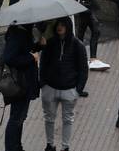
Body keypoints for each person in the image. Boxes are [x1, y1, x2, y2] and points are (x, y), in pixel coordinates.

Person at [39, 17, 87, 151]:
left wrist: (78, 90)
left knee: (67, 120)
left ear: (68, 26)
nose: (60, 27)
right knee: (49, 118)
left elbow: (83, 69)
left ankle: (65, 147)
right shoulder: (50, 43)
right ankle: (50, 145)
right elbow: (43, 64)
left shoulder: (78, 45)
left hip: (69, 89)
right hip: (50, 87)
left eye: (63, 25)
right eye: (58, 25)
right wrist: (43, 84)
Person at [3, 24, 42, 151]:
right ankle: (11, 148)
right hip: (20, 83)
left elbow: (25, 50)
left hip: (24, 83)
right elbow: (9, 58)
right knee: (16, 118)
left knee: (20, 117)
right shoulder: (18, 34)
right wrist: (31, 58)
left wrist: (39, 46)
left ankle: (17, 146)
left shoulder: (24, 31)